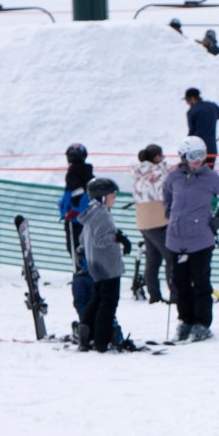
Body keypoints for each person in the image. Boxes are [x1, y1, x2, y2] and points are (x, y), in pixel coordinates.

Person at [160, 138, 219, 342]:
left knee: (201, 282)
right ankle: (185, 320)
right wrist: (168, 211)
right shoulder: (174, 176)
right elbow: (166, 194)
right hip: (176, 239)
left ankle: (202, 323)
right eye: (193, 156)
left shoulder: (210, 177)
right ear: (183, 157)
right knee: (180, 283)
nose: (198, 160)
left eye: (202, 155)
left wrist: (218, 218)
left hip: (201, 239)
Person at [76, 177, 131, 352]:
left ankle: (86, 330)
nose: (114, 197)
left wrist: (82, 249)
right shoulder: (102, 214)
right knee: (108, 303)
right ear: (101, 197)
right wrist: (118, 238)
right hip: (107, 266)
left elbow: (85, 238)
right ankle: (101, 340)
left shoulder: (93, 212)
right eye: (111, 195)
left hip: (97, 265)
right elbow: (100, 240)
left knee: (97, 299)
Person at [57, 145, 95, 337]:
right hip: (84, 221)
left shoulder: (73, 173)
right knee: (86, 254)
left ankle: (85, 314)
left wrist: (69, 211)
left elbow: (74, 196)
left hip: (75, 222)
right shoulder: (88, 172)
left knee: (78, 257)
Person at [130, 144, 172, 305]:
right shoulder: (157, 172)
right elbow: (164, 191)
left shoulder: (138, 172)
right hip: (159, 219)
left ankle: (154, 295)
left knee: (153, 260)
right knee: (171, 257)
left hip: (143, 221)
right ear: (156, 157)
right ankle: (175, 294)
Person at [182, 87, 219, 162]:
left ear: (192, 98)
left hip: (196, 150)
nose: (187, 103)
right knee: (208, 173)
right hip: (211, 149)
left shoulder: (192, 112)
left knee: (196, 173)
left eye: (187, 100)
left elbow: (191, 132)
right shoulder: (212, 106)